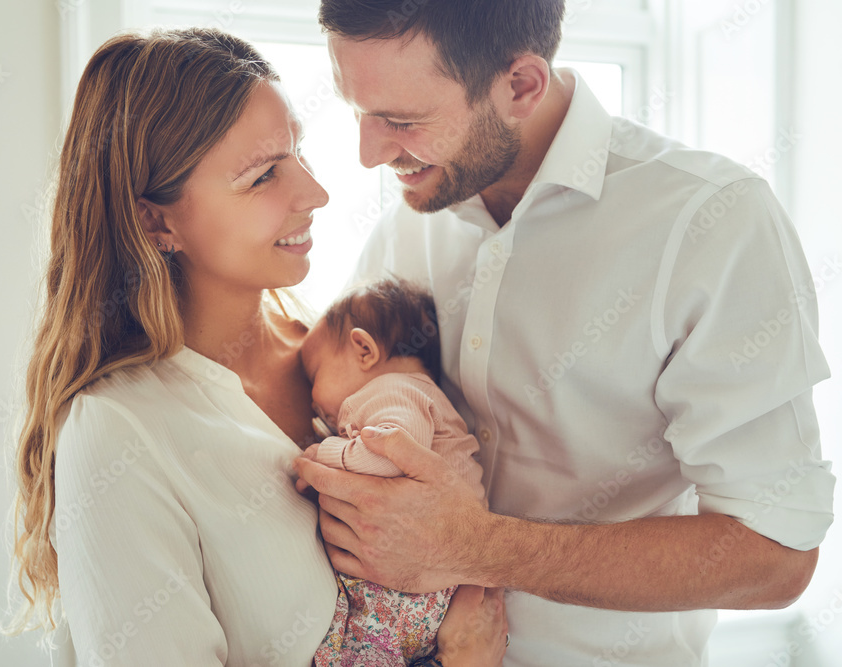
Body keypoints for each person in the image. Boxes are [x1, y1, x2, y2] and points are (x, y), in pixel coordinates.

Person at [294, 1, 837, 665]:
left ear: (521, 85)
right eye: (358, 111)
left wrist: (476, 545)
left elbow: (776, 555)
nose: (368, 153)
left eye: (402, 121)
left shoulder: (712, 222)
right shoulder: (409, 219)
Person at [3, 26, 507, 667]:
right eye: (264, 175)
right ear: (158, 221)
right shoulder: (118, 430)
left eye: (298, 155)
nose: (315, 195)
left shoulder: (350, 357)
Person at [298, 278, 489, 665]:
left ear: (364, 349)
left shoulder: (395, 392)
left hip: (417, 582)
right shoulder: (409, 394)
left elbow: (388, 457)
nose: (313, 402)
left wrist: (323, 453)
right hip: (429, 587)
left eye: (314, 374)